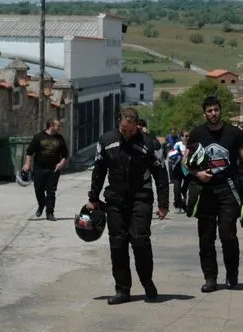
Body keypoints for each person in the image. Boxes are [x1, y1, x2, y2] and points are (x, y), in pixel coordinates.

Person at [88, 108, 170, 305]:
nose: (127, 134)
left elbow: (160, 174)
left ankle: (147, 282)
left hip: (141, 198)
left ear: (137, 126)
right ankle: (122, 290)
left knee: (140, 241)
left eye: (131, 131)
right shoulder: (106, 141)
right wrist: (93, 197)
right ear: (119, 123)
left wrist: (163, 204)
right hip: (115, 200)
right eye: (124, 130)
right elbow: (98, 170)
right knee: (118, 245)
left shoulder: (150, 143)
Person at [185, 96, 243, 292]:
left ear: (220, 111)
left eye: (216, 110)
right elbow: (185, 162)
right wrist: (197, 174)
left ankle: (232, 274)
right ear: (204, 113)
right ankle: (210, 278)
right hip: (204, 191)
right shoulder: (197, 133)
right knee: (206, 237)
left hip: (228, 188)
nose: (213, 113)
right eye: (209, 111)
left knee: (228, 234)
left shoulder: (234, 133)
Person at [22, 119, 69, 220]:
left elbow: (65, 154)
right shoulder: (39, 137)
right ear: (51, 125)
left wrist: (61, 163)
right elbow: (29, 152)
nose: (60, 128)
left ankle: (50, 213)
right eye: (58, 126)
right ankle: (41, 204)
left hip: (54, 169)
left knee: (51, 191)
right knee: (38, 189)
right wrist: (27, 163)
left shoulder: (59, 138)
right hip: (39, 168)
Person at [168, 130, 191, 211]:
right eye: (185, 136)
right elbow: (171, 155)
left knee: (185, 187)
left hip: (188, 170)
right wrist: (179, 156)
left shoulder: (192, 145)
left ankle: (183, 201)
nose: (187, 138)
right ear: (181, 137)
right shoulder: (178, 145)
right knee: (177, 188)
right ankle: (178, 204)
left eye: (188, 136)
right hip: (178, 169)